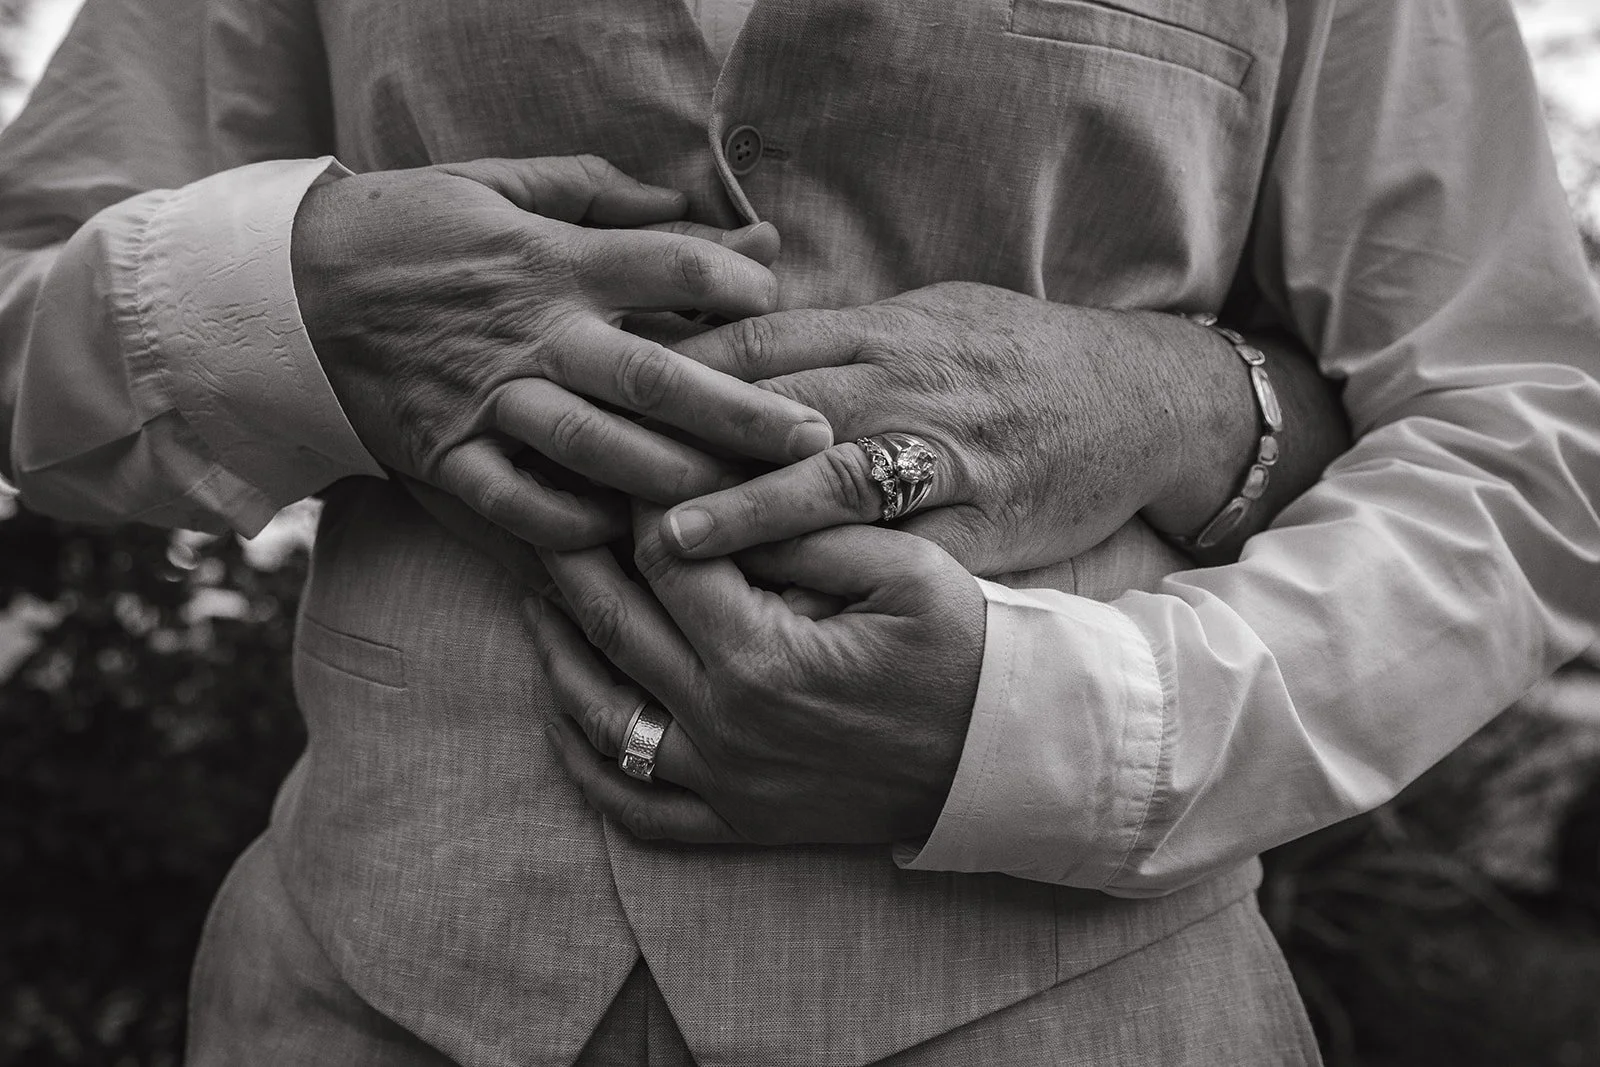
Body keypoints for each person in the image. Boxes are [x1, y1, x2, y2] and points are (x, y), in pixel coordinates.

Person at [2, 0, 1597, 1064]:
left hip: (1093, 1012)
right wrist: (288, 295)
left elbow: (1528, 424)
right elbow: (31, 303)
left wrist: (1064, 725)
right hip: (349, 993)